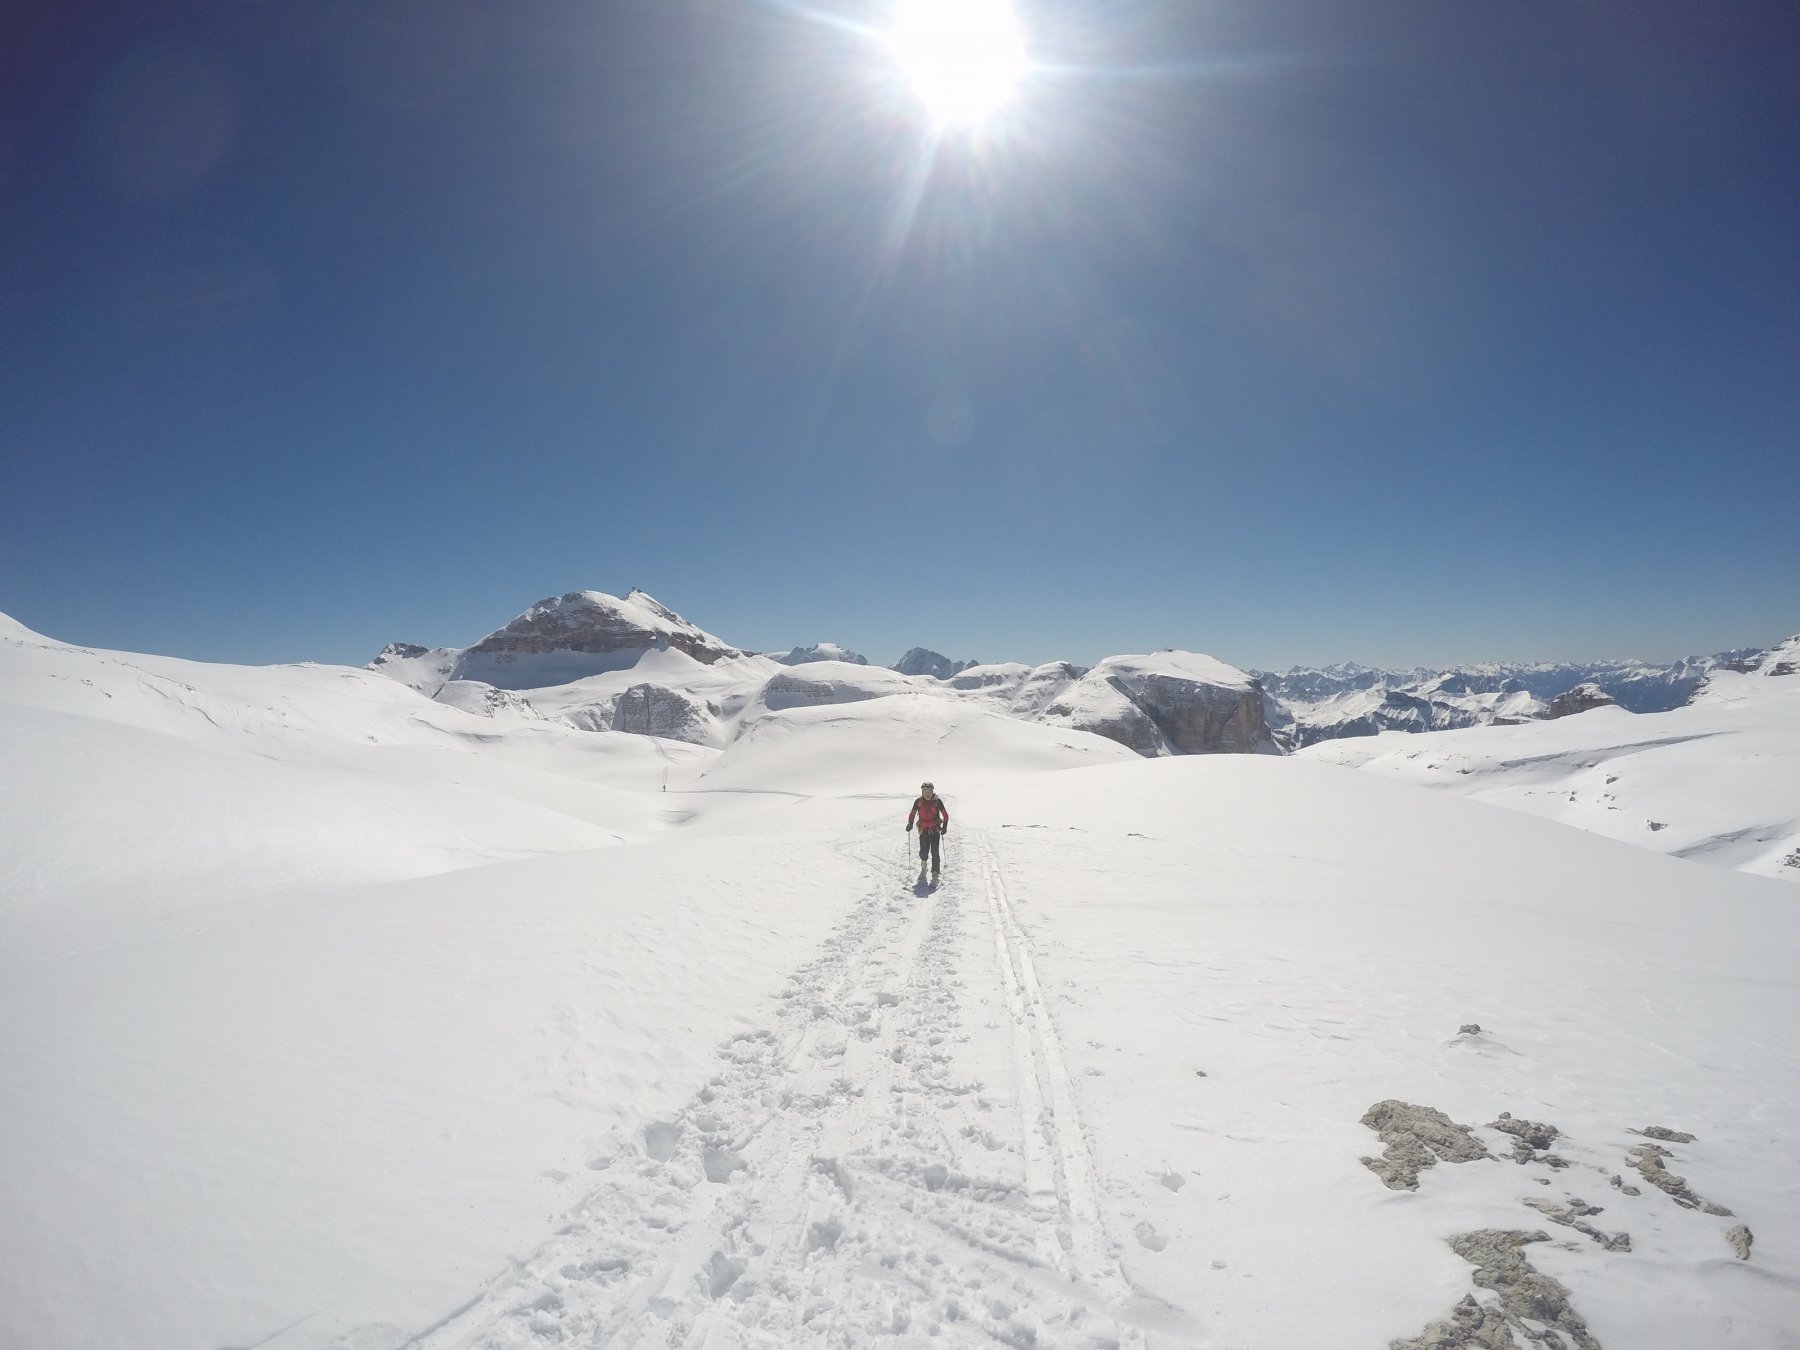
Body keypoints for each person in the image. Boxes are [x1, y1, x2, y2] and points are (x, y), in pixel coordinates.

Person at [906, 781, 949, 879]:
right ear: (922, 791)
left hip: (935, 831)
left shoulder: (937, 802)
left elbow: (945, 815)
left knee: (935, 852)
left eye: (930, 790)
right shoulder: (918, 802)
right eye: (925, 790)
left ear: (933, 791)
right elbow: (912, 814)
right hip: (923, 830)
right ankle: (924, 865)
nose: (928, 793)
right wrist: (910, 823)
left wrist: (945, 827)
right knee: (923, 852)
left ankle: (935, 872)